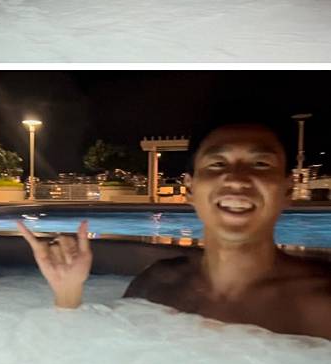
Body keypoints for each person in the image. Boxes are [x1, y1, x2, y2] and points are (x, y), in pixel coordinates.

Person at [19, 118, 331, 339]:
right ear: (190, 189)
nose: (237, 179)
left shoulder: (322, 304)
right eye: (217, 164)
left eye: (260, 164)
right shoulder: (157, 286)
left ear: (288, 189)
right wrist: (68, 296)